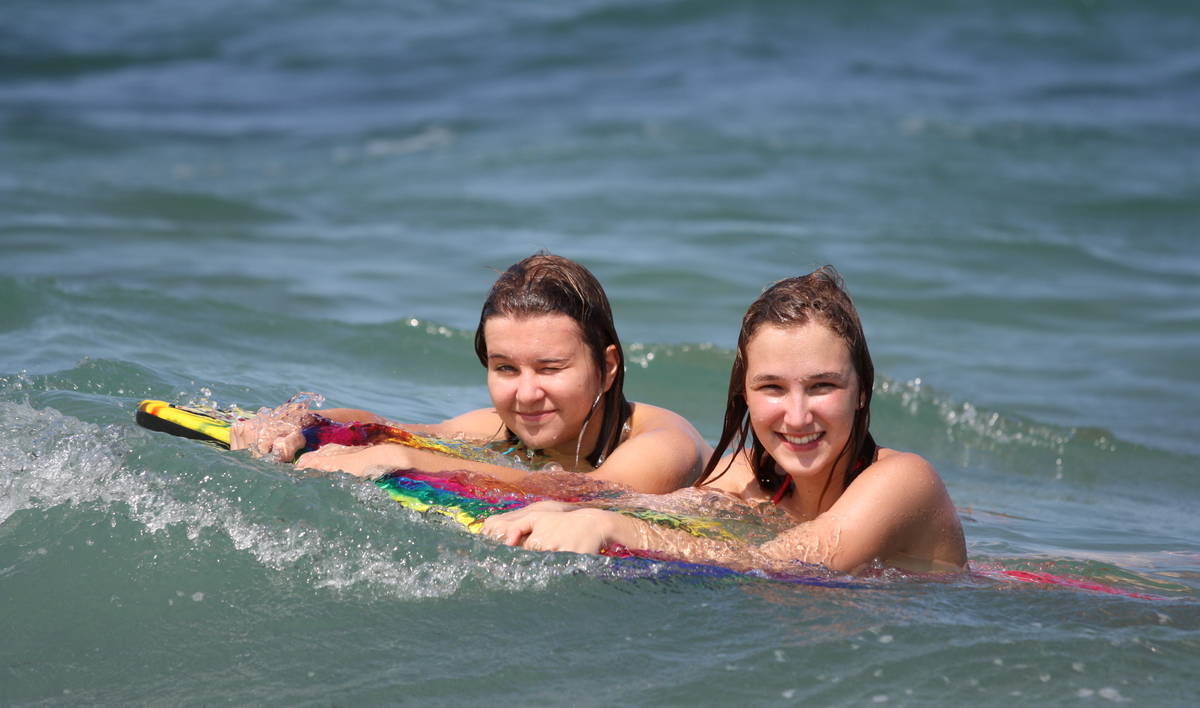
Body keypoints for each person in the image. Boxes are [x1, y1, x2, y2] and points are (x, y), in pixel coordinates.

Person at [480, 266, 967, 575]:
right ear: (745, 394)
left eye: (823, 386)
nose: (797, 416)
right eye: (772, 388)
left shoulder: (903, 481)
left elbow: (789, 562)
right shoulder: (743, 477)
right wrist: (562, 512)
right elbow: (655, 513)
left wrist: (614, 529)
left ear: (861, 392)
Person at [229, 252, 711, 494]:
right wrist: (305, 424)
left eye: (550, 368)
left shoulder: (664, 443)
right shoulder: (502, 433)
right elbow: (403, 430)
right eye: (505, 368)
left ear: (607, 368)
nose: (526, 394)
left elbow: (586, 493)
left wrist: (408, 462)